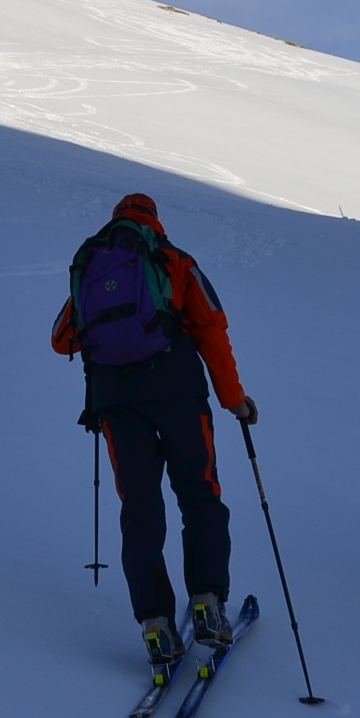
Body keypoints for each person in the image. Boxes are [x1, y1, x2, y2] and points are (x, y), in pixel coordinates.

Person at [53, 194, 258, 671]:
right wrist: (236, 403)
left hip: (117, 405)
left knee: (140, 508)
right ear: (155, 223)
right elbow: (212, 331)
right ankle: (207, 599)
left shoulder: (93, 266)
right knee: (199, 494)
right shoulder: (176, 262)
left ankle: (156, 625)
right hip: (179, 395)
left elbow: (62, 337)